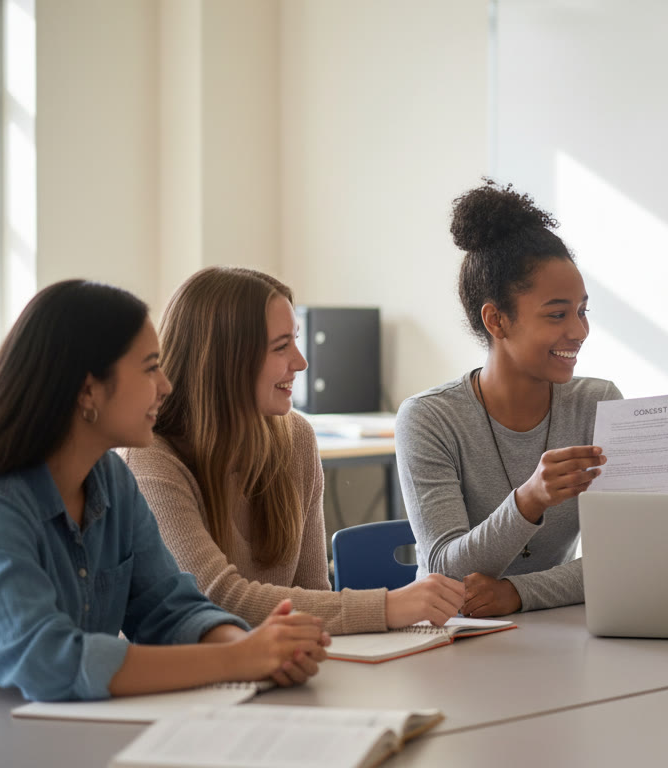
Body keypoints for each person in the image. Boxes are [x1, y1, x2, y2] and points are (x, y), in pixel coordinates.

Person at [0, 281, 329, 701]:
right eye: (149, 367)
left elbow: (170, 610)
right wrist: (240, 659)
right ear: (88, 390)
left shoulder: (110, 479)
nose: (166, 385)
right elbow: (50, 662)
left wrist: (258, 649)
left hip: (56, 730)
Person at [122, 267, 463, 634]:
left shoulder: (295, 437)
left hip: (277, 667)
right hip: (190, 683)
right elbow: (216, 599)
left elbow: (313, 593)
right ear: (225, 359)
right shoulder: (151, 459)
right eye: (281, 346)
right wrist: (388, 606)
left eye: (296, 341)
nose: (301, 362)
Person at [396, 179, 621, 617]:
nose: (578, 331)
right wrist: (530, 499)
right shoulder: (429, 418)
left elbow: (622, 561)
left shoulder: (598, 403)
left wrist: (518, 594)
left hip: (545, 630)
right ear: (496, 320)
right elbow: (445, 571)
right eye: (557, 314)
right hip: (450, 638)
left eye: (582, 311)